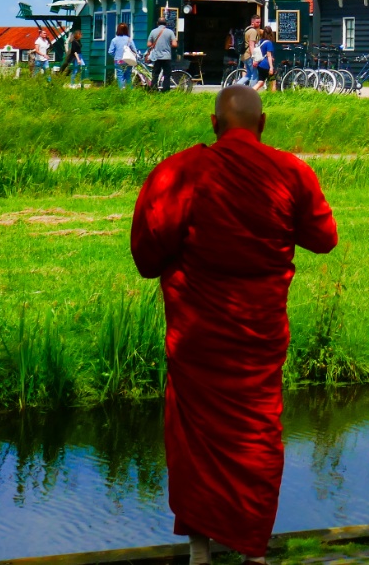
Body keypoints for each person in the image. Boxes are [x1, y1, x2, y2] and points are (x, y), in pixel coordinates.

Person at [131, 85, 339, 565]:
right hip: (257, 336)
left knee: (194, 440)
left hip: (197, 335)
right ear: (262, 125)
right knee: (258, 434)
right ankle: (255, 553)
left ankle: (200, 552)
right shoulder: (290, 173)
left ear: (213, 123)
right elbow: (324, 238)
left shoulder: (181, 172)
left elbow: (146, 254)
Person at [148, 17, 177, 93]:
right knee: (167, 75)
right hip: (166, 57)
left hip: (157, 57)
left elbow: (149, 44)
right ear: (166, 24)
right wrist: (168, 44)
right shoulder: (170, 32)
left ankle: (153, 90)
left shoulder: (153, 31)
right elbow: (174, 44)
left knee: (155, 74)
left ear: (157, 23)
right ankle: (165, 91)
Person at [109, 23, 137, 89]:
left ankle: (122, 91)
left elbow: (110, 52)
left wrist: (115, 56)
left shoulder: (114, 40)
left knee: (120, 76)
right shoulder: (129, 39)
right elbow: (134, 50)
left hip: (118, 61)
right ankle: (130, 91)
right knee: (128, 76)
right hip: (128, 61)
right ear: (126, 30)